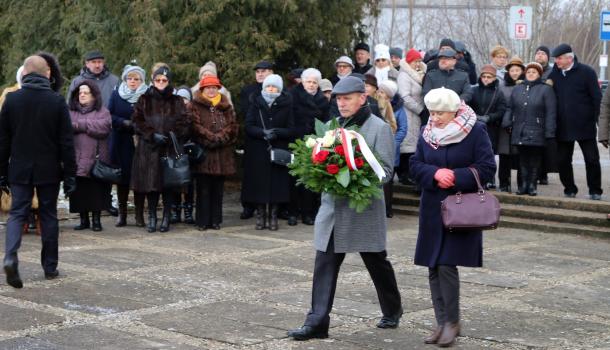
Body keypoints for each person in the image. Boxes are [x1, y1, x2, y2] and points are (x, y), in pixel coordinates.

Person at [288, 76, 403, 341]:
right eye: (338, 99)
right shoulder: (331, 127)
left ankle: (392, 309)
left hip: (362, 209)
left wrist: (353, 176)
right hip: (333, 210)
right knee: (324, 263)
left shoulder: (379, 128)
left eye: (347, 98)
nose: (342, 103)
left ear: (362, 98)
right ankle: (317, 321)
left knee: (376, 262)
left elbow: (385, 171)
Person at [410, 87, 496, 347]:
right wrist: (434, 174)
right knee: (433, 265)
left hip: (459, 208)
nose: (434, 118)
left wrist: (456, 177)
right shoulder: (428, 132)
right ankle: (440, 322)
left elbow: (487, 167)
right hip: (432, 207)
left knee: (447, 264)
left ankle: (452, 322)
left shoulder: (475, 130)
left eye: (440, 113)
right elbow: (415, 164)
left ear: (455, 111)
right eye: (432, 112)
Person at [0, 55, 76, 288]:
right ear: (48, 74)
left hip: (20, 168)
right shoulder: (56, 101)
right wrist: (71, 174)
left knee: (16, 214)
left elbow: (3, 142)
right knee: (48, 214)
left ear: (24, 74)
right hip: (49, 169)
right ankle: (50, 267)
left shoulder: (11, 100)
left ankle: (10, 256)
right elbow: (66, 142)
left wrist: (2, 173)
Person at [131, 67, 191, 233]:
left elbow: (185, 122)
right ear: (153, 81)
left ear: (169, 82)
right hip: (149, 148)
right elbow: (137, 121)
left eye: (164, 80)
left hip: (169, 148)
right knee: (151, 185)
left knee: (168, 185)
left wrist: (173, 134)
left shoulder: (177, 101)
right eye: (158, 80)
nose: (161, 83)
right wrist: (151, 135)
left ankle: (166, 217)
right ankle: (152, 216)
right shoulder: (144, 99)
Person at [67, 50, 120, 217]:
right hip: (81, 141)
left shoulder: (114, 80)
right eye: (93, 62)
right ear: (86, 63)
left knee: (102, 171)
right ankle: (83, 214)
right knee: (83, 176)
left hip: (105, 130)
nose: (97, 65)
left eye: (100, 61)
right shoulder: (78, 81)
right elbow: (70, 104)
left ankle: (107, 202)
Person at [548, 44, 603, 200]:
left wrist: (598, 121)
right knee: (562, 160)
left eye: (559, 58)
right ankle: (569, 188)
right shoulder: (554, 75)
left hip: (585, 125)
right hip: (563, 126)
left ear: (569, 58)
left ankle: (595, 190)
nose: (556, 61)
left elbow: (596, 98)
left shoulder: (587, 72)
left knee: (591, 159)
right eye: (555, 59)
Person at [243, 74, 295, 231]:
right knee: (259, 185)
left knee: (277, 185)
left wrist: (277, 132)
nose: (271, 89)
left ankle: (273, 216)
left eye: (274, 87)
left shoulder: (287, 105)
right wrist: (263, 132)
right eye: (268, 86)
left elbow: (291, 129)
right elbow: (248, 125)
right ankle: (260, 215)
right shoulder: (256, 103)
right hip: (259, 150)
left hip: (278, 150)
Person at [189, 76, 238, 230]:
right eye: (208, 87)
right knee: (203, 189)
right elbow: (194, 126)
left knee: (218, 190)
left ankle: (216, 220)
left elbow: (232, 127)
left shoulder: (226, 106)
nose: (211, 90)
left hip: (222, 154)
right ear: (202, 89)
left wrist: (221, 138)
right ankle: (202, 221)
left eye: (214, 87)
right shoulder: (194, 105)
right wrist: (210, 138)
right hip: (204, 154)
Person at [502, 62, 556, 196]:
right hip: (519, 128)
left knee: (535, 159)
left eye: (534, 72)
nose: (531, 74)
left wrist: (550, 132)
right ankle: (523, 185)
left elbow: (551, 112)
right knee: (522, 159)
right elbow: (510, 107)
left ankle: (532, 185)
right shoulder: (518, 88)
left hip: (537, 129)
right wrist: (507, 122)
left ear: (539, 74)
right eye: (529, 72)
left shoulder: (546, 89)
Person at [68, 81, 112, 231]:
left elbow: (104, 127)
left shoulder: (103, 111)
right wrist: (88, 125)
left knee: (96, 191)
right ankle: (83, 220)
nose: (82, 95)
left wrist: (80, 125)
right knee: (79, 191)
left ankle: (96, 221)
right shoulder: (71, 111)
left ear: (94, 95)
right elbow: (67, 126)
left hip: (96, 158)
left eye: (86, 92)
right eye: (80, 92)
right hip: (76, 157)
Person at [288, 68, 329, 226]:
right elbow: (289, 119)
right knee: (294, 179)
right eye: (308, 82)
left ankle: (308, 213)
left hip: (314, 143)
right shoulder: (292, 96)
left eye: (314, 82)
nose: (311, 85)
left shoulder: (323, 101)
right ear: (302, 82)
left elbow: (326, 122)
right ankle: (292, 212)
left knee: (310, 180)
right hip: (296, 141)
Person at [108, 64, 148, 227]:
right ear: (125, 79)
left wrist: (140, 125)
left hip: (140, 142)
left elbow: (152, 116)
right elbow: (109, 115)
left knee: (139, 179)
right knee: (122, 180)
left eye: (136, 79)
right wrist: (122, 122)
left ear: (141, 80)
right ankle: (122, 214)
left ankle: (139, 215)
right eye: (130, 78)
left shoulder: (147, 95)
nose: (132, 82)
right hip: (121, 141)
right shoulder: (117, 94)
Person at [239, 60, 274, 220]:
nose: (260, 74)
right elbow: (246, 113)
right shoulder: (248, 91)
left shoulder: (279, 90)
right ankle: (248, 206)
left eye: (264, 71)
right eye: (258, 71)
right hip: (254, 137)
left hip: (273, 138)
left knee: (272, 175)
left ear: (271, 73)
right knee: (251, 174)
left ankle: (274, 207)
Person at [468, 64, 507, 189]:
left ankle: (491, 178)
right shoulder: (473, 90)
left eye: (489, 77)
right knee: (475, 154)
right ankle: (478, 179)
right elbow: (467, 106)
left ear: (494, 78)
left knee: (490, 154)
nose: (486, 79)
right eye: (484, 76)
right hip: (474, 126)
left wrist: (489, 117)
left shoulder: (499, 93)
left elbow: (501, 110)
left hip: (491, 128)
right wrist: (475, 116)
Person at [378, 80, 407, 218]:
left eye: (382, 91)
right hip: (377, 147)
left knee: (388, 181)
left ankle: (388, 208)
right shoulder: (376, 105)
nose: (379, 93)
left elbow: (402, 129)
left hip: (391, 147)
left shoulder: (399, 109)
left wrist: (393, 143)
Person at [397, 48, 426, 185]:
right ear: (408, 62)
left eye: (420, 61)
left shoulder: (420, 74)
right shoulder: (404, 75)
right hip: (409, 113)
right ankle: (404, 174)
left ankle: (411, 174)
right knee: (407, 144)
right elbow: (405, 97)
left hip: (418, 113)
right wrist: (420, 110)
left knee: (415, 144)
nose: (418, 64)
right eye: (415, 61)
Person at [498, 57, 526, 192]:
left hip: (522, 125)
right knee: (505, 155)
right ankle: (504, 183)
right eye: (512, 70)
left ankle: (522, 184)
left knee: (521, 156)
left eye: (517, 70)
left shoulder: (526, 85)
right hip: (505, 125)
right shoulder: (502, 86)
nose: (514, 73)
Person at [171, 86, 196, 225]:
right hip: (175, 151)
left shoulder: (193, 113)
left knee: (189, 184)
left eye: (185, 98)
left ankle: (188, 210)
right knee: (175, 182)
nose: (183, 101)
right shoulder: (172, 113)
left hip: (189, 153)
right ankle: (175, 210)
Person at [533, 45, 553, 185]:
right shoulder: (531, 70)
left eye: (543, 54)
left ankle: (543, 174)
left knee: (546, 145)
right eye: (538, 53)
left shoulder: (553, 72)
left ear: (548, 57)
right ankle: (534, 173)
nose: (540, 56)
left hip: (548, 111)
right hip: (533, 111)